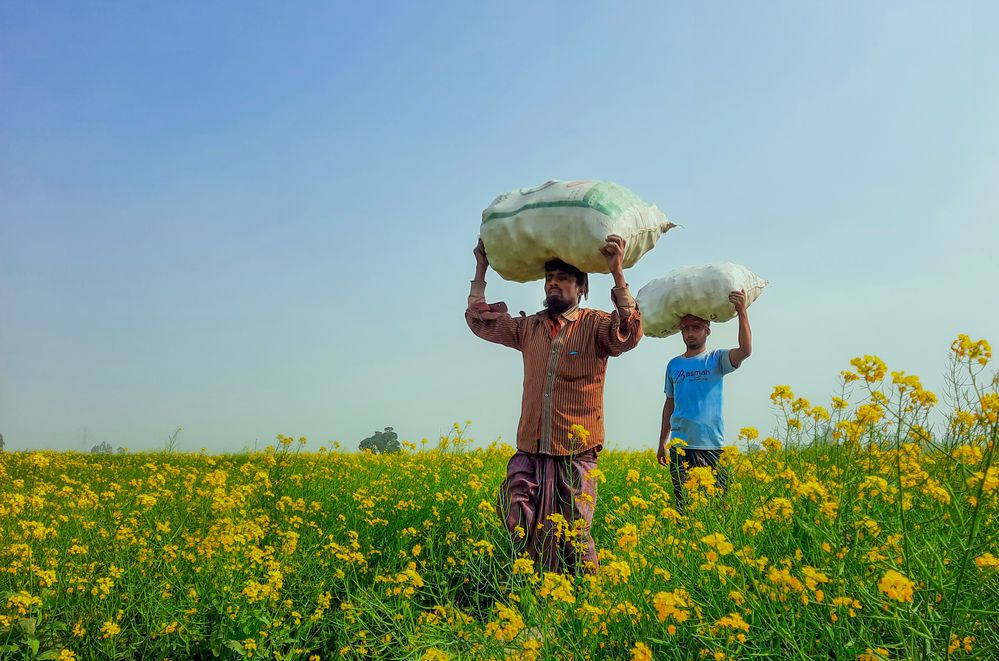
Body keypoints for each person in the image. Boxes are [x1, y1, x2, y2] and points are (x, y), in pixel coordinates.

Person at [466, 235, 642, 574]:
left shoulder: (595, 325)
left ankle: (587, 602)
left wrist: (617, 271)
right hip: (531, 447)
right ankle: (539, 592)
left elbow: (629, 334)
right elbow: (479, 322)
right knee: (516, 513)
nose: (553, 284)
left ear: (581, 289)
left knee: (575, 531)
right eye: (549, 279)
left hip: (576, 450)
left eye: (562, 279)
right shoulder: (528, 327)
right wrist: (482, 266)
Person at [656, 291, 752, 512]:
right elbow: (669, 404)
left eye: (696, 328)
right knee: (685, 506)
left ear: (707, 331)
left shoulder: (716, 359)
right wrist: (663, 440)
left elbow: (745, 351)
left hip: (712, 445)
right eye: (686, 329)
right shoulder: (674, 365)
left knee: (719, 505)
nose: (690, 333)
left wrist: (742, 312)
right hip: (681, 447)